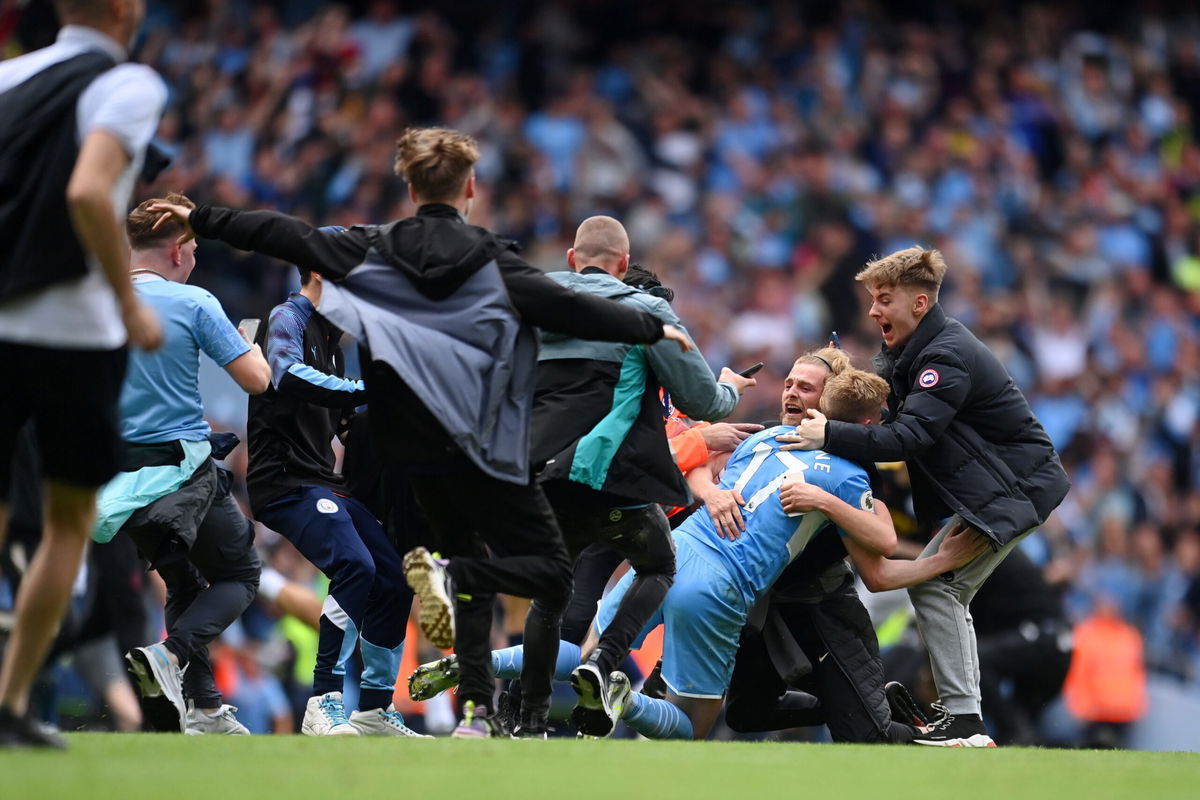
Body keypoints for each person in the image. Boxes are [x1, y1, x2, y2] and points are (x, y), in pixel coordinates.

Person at [146, 126, 692, 739]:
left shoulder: (376, 245)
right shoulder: (486, 255)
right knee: (499, 567)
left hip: (386, 435)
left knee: (400, 559)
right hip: (460, 431)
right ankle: (476, 709)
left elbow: (286, 234)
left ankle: (404, 656)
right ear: (471, 188)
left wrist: (206, 216)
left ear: (408, 185)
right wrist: (647, 327)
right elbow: (557, 303)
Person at [410, 369, 987, 740]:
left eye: (803, 388)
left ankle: (475, 664)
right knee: (692, 723)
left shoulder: (763, 436)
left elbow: (697, 458)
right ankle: (625, 702)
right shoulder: (848, 474)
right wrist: (936, 558)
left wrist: (710, 489)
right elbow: (882, 550)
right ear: (867, 425)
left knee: (586, 649)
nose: (789, 394)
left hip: (667, 554)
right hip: (721, 586)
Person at [782, 247, 1071, 747]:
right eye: (872, 300)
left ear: (919, 303)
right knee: (937, 588)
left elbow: (907, 438)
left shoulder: (944, 355)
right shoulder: (910, 354)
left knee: (939, 587)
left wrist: (828, 435)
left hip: (1010, 492)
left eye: (884, 299)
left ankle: (966, 720)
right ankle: (963, 717)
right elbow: (886, 419)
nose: (874, 311)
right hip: (992, 492)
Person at [0, 0, 166, 748]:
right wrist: (129, 301)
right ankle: (9, 703)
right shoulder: (127, 81)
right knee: (68, 523)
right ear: (127, 10)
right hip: (74, 333)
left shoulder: (11, 76)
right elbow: (88, 188)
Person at [530, 216, 754, 736]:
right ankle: (603, 662)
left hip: (539, 472)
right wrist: (728, 393)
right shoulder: (646, 318)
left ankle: (525, 717)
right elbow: (702, 406)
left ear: (571, 258)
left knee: (555, 598)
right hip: (612, 479)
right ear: (624, 265)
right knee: (657, 565)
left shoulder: (531, 302)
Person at [92, 193, 268, 735]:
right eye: (191, 250)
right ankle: (170, 657)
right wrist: (249, 346)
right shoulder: (193, 302)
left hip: (118, 483)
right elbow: (255, 380)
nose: (192, 260)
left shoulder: (100, 301)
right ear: (176, 250)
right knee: (241, 574)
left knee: (186, 586)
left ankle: (206, 710)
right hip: (181, 474)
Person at [248, 264, 423, 738]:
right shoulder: (288, 318)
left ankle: (372, 710)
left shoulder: (333, 345)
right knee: (356, 566)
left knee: (394, 575)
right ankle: (322, 702)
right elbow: (286, 374)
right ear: (325, 278)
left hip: (322, 484)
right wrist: (371, 393)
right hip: (284, 483)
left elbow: (351, 421)